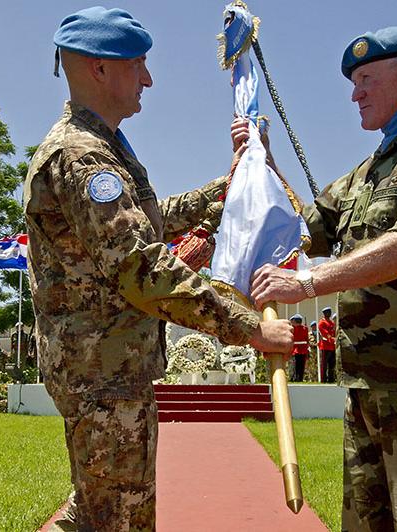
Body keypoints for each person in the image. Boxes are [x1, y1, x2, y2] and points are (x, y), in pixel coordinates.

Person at [24, 7, 294, 530]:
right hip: (104, 375)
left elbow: (147, 221)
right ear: (100, 68)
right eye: (138, 64)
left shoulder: (98, 147)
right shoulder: (83, 156)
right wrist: (248, 328)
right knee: (120, 519)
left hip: (106, 367)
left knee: (93, 513)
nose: (147, 79)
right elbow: (141, 267)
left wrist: (230, 186)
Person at [244, 26, 397, 530]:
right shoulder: (369, 171)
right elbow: (303, 229)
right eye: (352, 83)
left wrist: (307, 284)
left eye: (365, 79)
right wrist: (260, 162)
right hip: (368, 393)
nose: (354, 94)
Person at [317, 307, 337, 383]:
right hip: (325, 345)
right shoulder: (322, 322)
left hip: (332, 346)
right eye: (328, 312)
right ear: (324, 313)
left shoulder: (331, 322)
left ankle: (331, 379)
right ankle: (323, 379)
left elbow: (333, 332)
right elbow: (325, 333)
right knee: (324, 364)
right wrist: (332, 339)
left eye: (330, 312)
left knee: (332, 363)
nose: (329, 313)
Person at [290, 314, 309, 382]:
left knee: (297, 365)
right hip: (301, 349)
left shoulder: (293, 328)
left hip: (297, 349)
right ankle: (299, 378)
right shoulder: (305, 328)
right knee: (300, 365)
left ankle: (297, 377)